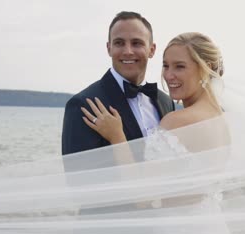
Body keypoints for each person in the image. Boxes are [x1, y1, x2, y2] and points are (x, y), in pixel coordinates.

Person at [81, 32, 229, 153]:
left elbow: (143, 184)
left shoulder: (177, 121)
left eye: (180, 66)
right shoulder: (226, 118)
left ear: (205, 68)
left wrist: (117, 137)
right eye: (166, 66)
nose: (169, 75)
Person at [61, 11, 175, 155]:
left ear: (151, 50)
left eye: (136, 43)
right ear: (109, 48)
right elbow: (76, 175)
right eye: (119, 43)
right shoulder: (82, 105)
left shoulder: (166, 102)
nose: (128, 51)